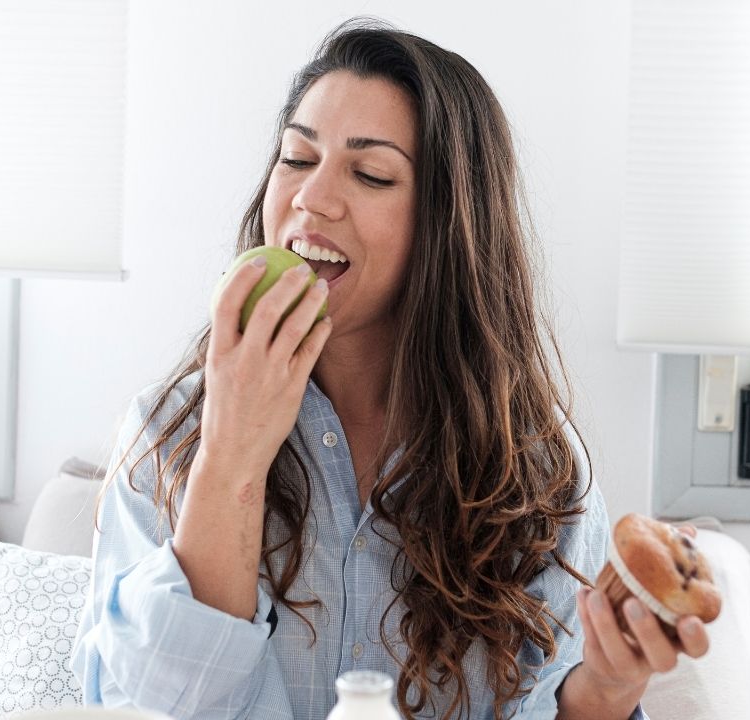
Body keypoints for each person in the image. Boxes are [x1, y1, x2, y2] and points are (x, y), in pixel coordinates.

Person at [71, 19, 710, 720]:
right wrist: (230, 456)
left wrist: (611, 687)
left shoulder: (534, 464)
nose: (312, 199)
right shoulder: (169, 432)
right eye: (295, 158)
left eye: (370, 173)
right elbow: (141, 707)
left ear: (446, 222)